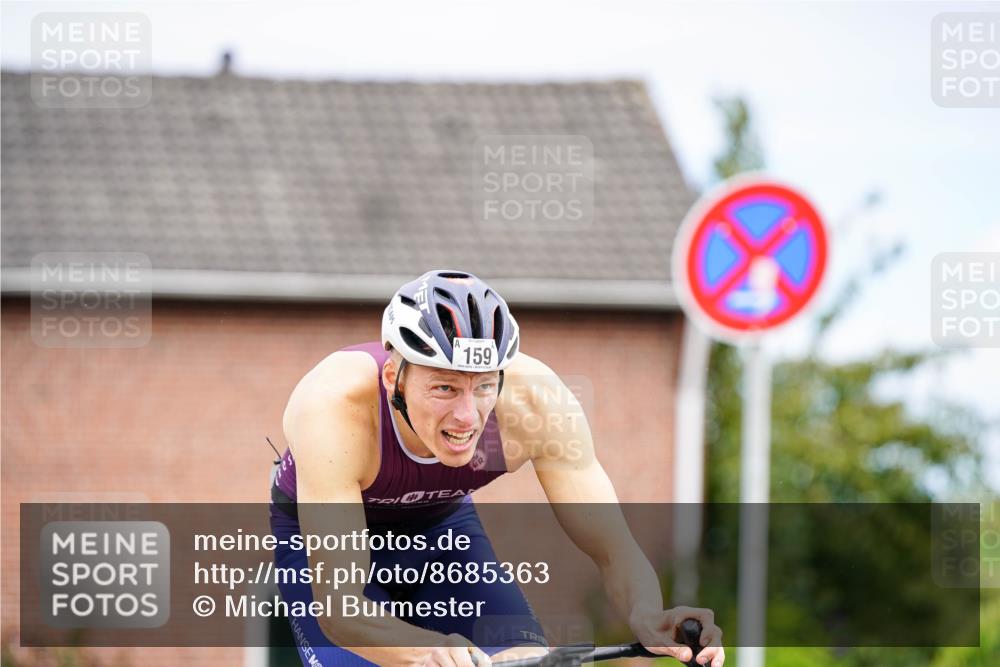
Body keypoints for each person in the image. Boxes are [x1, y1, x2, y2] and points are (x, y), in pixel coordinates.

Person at [269, 269, 725, 667]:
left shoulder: (537, 404)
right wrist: (422, 651)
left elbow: (613, 549)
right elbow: (342, 610)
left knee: (518, 662)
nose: (467, 416)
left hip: (440, 529)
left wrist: (646, 613)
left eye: (483, 386)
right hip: (327, 545)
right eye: (445, 388)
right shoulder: (333, 406)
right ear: (394, 379)